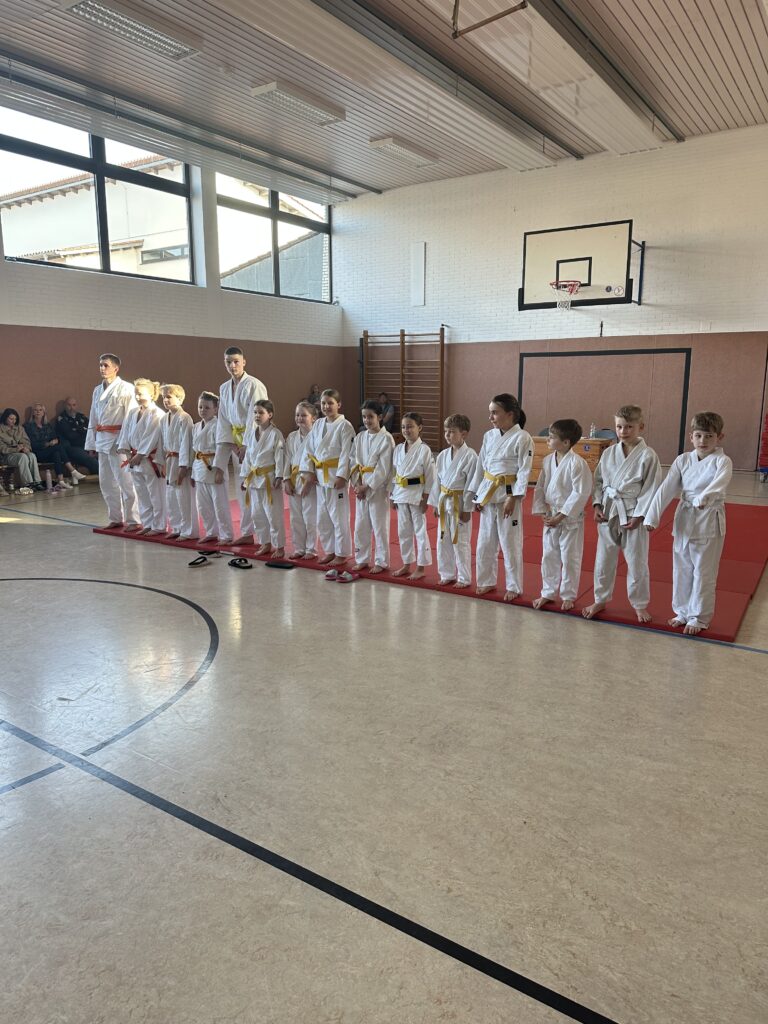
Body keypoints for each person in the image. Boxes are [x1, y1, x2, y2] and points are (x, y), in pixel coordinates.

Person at [644, 412, 732, 635]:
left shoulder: (722, 461)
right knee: (682, 568)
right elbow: (667, 488)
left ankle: (699, 617)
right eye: (699, 435)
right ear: (691, 436)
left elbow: (719, 484)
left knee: (703, 571)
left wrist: (705, 498)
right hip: (684, 519)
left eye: (709, 436)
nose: (703, 441)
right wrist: (652, 516)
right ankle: (682, 612)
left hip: (708, 519)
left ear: (719, 437)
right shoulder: (683, 460)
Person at [582, 404, 661, 623]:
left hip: (632, 513)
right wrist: (597, 505)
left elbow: (651, 488)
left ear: (641, 427)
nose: (623, 431)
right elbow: (599, 481)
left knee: (636, 561)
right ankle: (600, 599)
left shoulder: (648, 455)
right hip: (608, 511)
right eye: (619, 427)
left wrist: (640, 515)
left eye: (629, 427)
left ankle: (639, 604)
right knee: (603, 560)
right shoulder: (609, 453)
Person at [470, 393, 533, 601]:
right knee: (485, 542)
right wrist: (477, 495)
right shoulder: (489, 436)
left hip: (508, 494)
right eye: (490, 413)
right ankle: (486, 581)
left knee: (510, 543)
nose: (491, 417)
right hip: (488, 494)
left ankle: (514, 586)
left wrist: (513, 497)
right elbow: (481, 466)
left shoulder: (523, 437)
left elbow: (524, 470)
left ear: (510, 414)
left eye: (495, 413)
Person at [531, 419, 592, 611]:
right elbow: (540, 487)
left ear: (566, 442)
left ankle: (568, 595)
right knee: (548, 555)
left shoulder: (578, 463)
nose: (547, 440)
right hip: (551, 514)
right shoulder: (548, 460)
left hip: (569, 517)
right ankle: (547, 592)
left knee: (570, 557)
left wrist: (561, 515)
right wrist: (542, 511)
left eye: (552, 437)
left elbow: (580, 493)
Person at [214, 347, 268, 547]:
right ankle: (247, 532)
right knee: (241, 488)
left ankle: (264, 536)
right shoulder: (223, 388)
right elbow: (223, 419)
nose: (232, 365)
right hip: (236, 442)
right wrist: (230, 445)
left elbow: (257, 416)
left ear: (244, 361)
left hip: (254, 441)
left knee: (255, 488)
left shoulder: (254, 385)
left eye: (236, 361)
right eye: (228, 362)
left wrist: (246, 444)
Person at [299, 387, 355, 568]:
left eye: (330, 403)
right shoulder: (318, 424)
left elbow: (347, 453)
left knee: (339, 518)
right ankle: (330, 550)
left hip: (335, 477)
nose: (326, 406)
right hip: (320, 478)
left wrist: (342, 475)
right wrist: (308, 471)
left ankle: (342, 553)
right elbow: (309, 449)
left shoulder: (345, 426)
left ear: (339, 404)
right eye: (323, 403)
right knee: (322, 518)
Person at [85, 353, 139, 529]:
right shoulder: (97, 390)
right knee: (106, 483)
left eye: (106, 365)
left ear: (116, 368)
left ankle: (134, 520)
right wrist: (91, 443)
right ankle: (115, 518)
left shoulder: (127, 388)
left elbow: (131, 417)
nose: (102, 368)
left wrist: (127, 443)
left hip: (119, 440)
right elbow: (93, 417)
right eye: (100, 365)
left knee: (126, 482)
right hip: (102, 440)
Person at [428, 414, 477, 588]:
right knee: (442, 540)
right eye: (446, 431)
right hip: (444, 501)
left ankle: (464, 577)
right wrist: (436, 503)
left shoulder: (471, 456)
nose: (447, 435)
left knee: (460, 542)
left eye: (452, 432)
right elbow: (437, 481)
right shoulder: (442, 455)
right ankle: (447, 573)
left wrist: (468, 508)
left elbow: (472, 484)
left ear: (464, 434)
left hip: (459, 502)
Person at [117, 380, 166, 536]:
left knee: (156, 494)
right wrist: (126, 451)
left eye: (141, 393)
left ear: (152, 394)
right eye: (136, 394)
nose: (137, 397)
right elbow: (125, 433)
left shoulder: (157, 413)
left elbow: (151, 436)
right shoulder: (132, 412)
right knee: (142, 494)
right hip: (134, 459)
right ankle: (147, 523)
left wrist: (140, 454)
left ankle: (159, 526)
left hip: (150, 459)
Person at [351, 400, 395, 573]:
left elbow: (384, 468)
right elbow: (353, 461)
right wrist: (356, 483)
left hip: (378, 488)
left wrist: (367, 486)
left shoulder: (386, 438)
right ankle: (361, 558)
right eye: (364, 417)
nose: (366, 420)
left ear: (380, 417)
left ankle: (381, 562)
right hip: (361, 484)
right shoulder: (360, 437)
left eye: (370, 417)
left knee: (379, 526)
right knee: (360, 525)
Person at [184, 392, 233, 546]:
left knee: (220, 505)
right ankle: (211, 532)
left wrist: (220, 470)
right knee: (203, 505)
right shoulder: (196, 427)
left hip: (214, 466)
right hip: (200, 467)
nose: (203, 410)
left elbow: (223, 448)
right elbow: (195, 451)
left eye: (207, 407)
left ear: (216, 409)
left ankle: (226, 534)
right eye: (200, 407)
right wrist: (193, 473)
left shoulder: (220, 426)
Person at [390, 411, 435, 580]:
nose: (406, 430)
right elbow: (394, 473)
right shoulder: (398, 449)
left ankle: (421, 567)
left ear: (419, 428)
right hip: (400, 493)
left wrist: (426, 498)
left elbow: (430, 475)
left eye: (410, 427)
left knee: (420, 531)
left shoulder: (424, 450)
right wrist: (392, 495)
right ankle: (407, 563)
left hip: (417, 494)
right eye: (403, 427)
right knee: (403, 531)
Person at [240, 399, 286, 558]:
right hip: (254, 479)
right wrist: (245, 477)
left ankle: (279, 546)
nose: (257, 415)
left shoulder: (275, 434)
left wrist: (279, 475)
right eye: (255, 412)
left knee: (274, 515)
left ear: (270, 414)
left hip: (269, 479)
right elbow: (248, 457)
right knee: (257, 514)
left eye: (261, 412)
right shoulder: (251, 433)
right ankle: (265, 543)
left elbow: (280, 456)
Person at [160, 384, 198, 542]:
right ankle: (176, 527)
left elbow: (186, 443)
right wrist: (161, 462)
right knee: (171, 497)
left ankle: (188, 531)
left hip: (180, 460)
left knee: (183, 497)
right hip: (169, 459)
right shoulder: (164, 418)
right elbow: (162, 442)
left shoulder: (184, 417)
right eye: (163, 397)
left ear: (180, 398)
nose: (165, 400)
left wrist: (184, 466)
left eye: (169, 396)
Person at [284, 401, 319, 560]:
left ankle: (311, 549)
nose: (299, 418)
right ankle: (299, 547)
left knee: (310, 517)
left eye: (304, 415)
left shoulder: (317, 436)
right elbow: (287, 459)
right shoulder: (292, 437)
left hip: (310, 480)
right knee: (295, 517)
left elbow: (318, 460)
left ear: (314, 418)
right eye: (297, 415)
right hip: (294, 478)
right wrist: (286, 480)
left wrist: (309, 482)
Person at [24, 403, 87, 491]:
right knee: (58, 448)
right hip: (37, 453)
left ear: (44, 412)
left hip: (50, 451)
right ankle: (72, 470)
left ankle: (61, 481)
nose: (38, 412)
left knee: (56, 452)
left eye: (40, 410)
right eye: (36, 410)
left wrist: (55, 440)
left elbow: (55, 437)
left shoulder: (47, 425)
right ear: (33, 413)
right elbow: (31, 444)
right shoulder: (28, 426)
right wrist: (47, 444)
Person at [0, 408, 45, 492]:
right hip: (7, 456)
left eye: (15, 419)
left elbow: (26, 441)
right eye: (11, 419)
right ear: (5, 418)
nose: (13, 421)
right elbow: (2, 448)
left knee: (32, 455)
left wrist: (26, 448)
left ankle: (37, 482)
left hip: (21, 452)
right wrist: (15, 449)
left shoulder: (19, 428)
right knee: (22, 457)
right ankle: (28, 484)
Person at [56, 397, 99, 476]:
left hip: (87, 446)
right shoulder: (61, 419)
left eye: (74, 405)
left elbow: (91, 431)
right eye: (69, 405)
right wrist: (83, 430)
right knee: (90, 460)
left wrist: (91, 447)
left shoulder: (82, 417)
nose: (71, 408)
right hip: (72, 447)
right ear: (65, 406)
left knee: (104, 455)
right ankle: (104, 478)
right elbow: (71, 436)